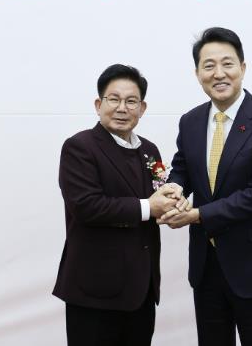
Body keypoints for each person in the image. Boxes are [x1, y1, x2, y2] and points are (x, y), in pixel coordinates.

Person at [159, 27, 252, 346]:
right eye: (209, 66)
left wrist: (197, 215)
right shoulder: (190, 121)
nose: (218, 73)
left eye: (227, 64)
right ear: (197, 74)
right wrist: (174, 189)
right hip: (206, 266)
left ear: (242, 68)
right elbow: (182, 168)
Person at [53, 64, 187, 346]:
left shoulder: (149, 150)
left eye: (131, 101)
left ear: (142, 108)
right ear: (98, 104)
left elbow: (156, 197)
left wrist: (174, 202)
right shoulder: (80, 147)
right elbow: (87, 206)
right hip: (94, 291)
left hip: (141, 289)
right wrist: (149, 207)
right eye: (114, 99)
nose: (122, 108)